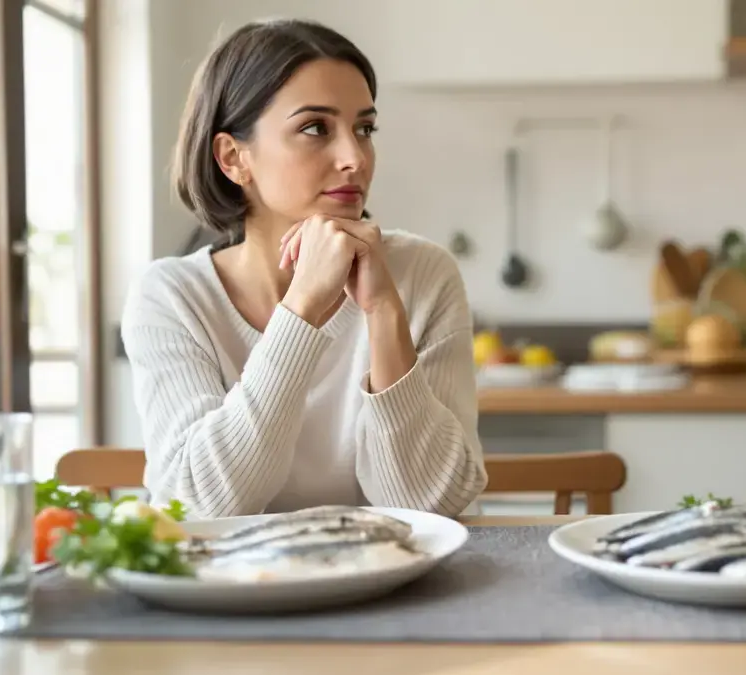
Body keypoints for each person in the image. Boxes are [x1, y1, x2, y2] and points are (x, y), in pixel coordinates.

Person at [120, 19, 488, 520]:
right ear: (233, 158)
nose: (355, 158)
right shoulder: (170, 297)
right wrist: (302, 308)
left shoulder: (423, 273)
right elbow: (199, 506)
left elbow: (432, 504)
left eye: (364, 129)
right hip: (233, 574)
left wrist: (384, 311)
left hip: (393, 571)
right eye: (315, 128)